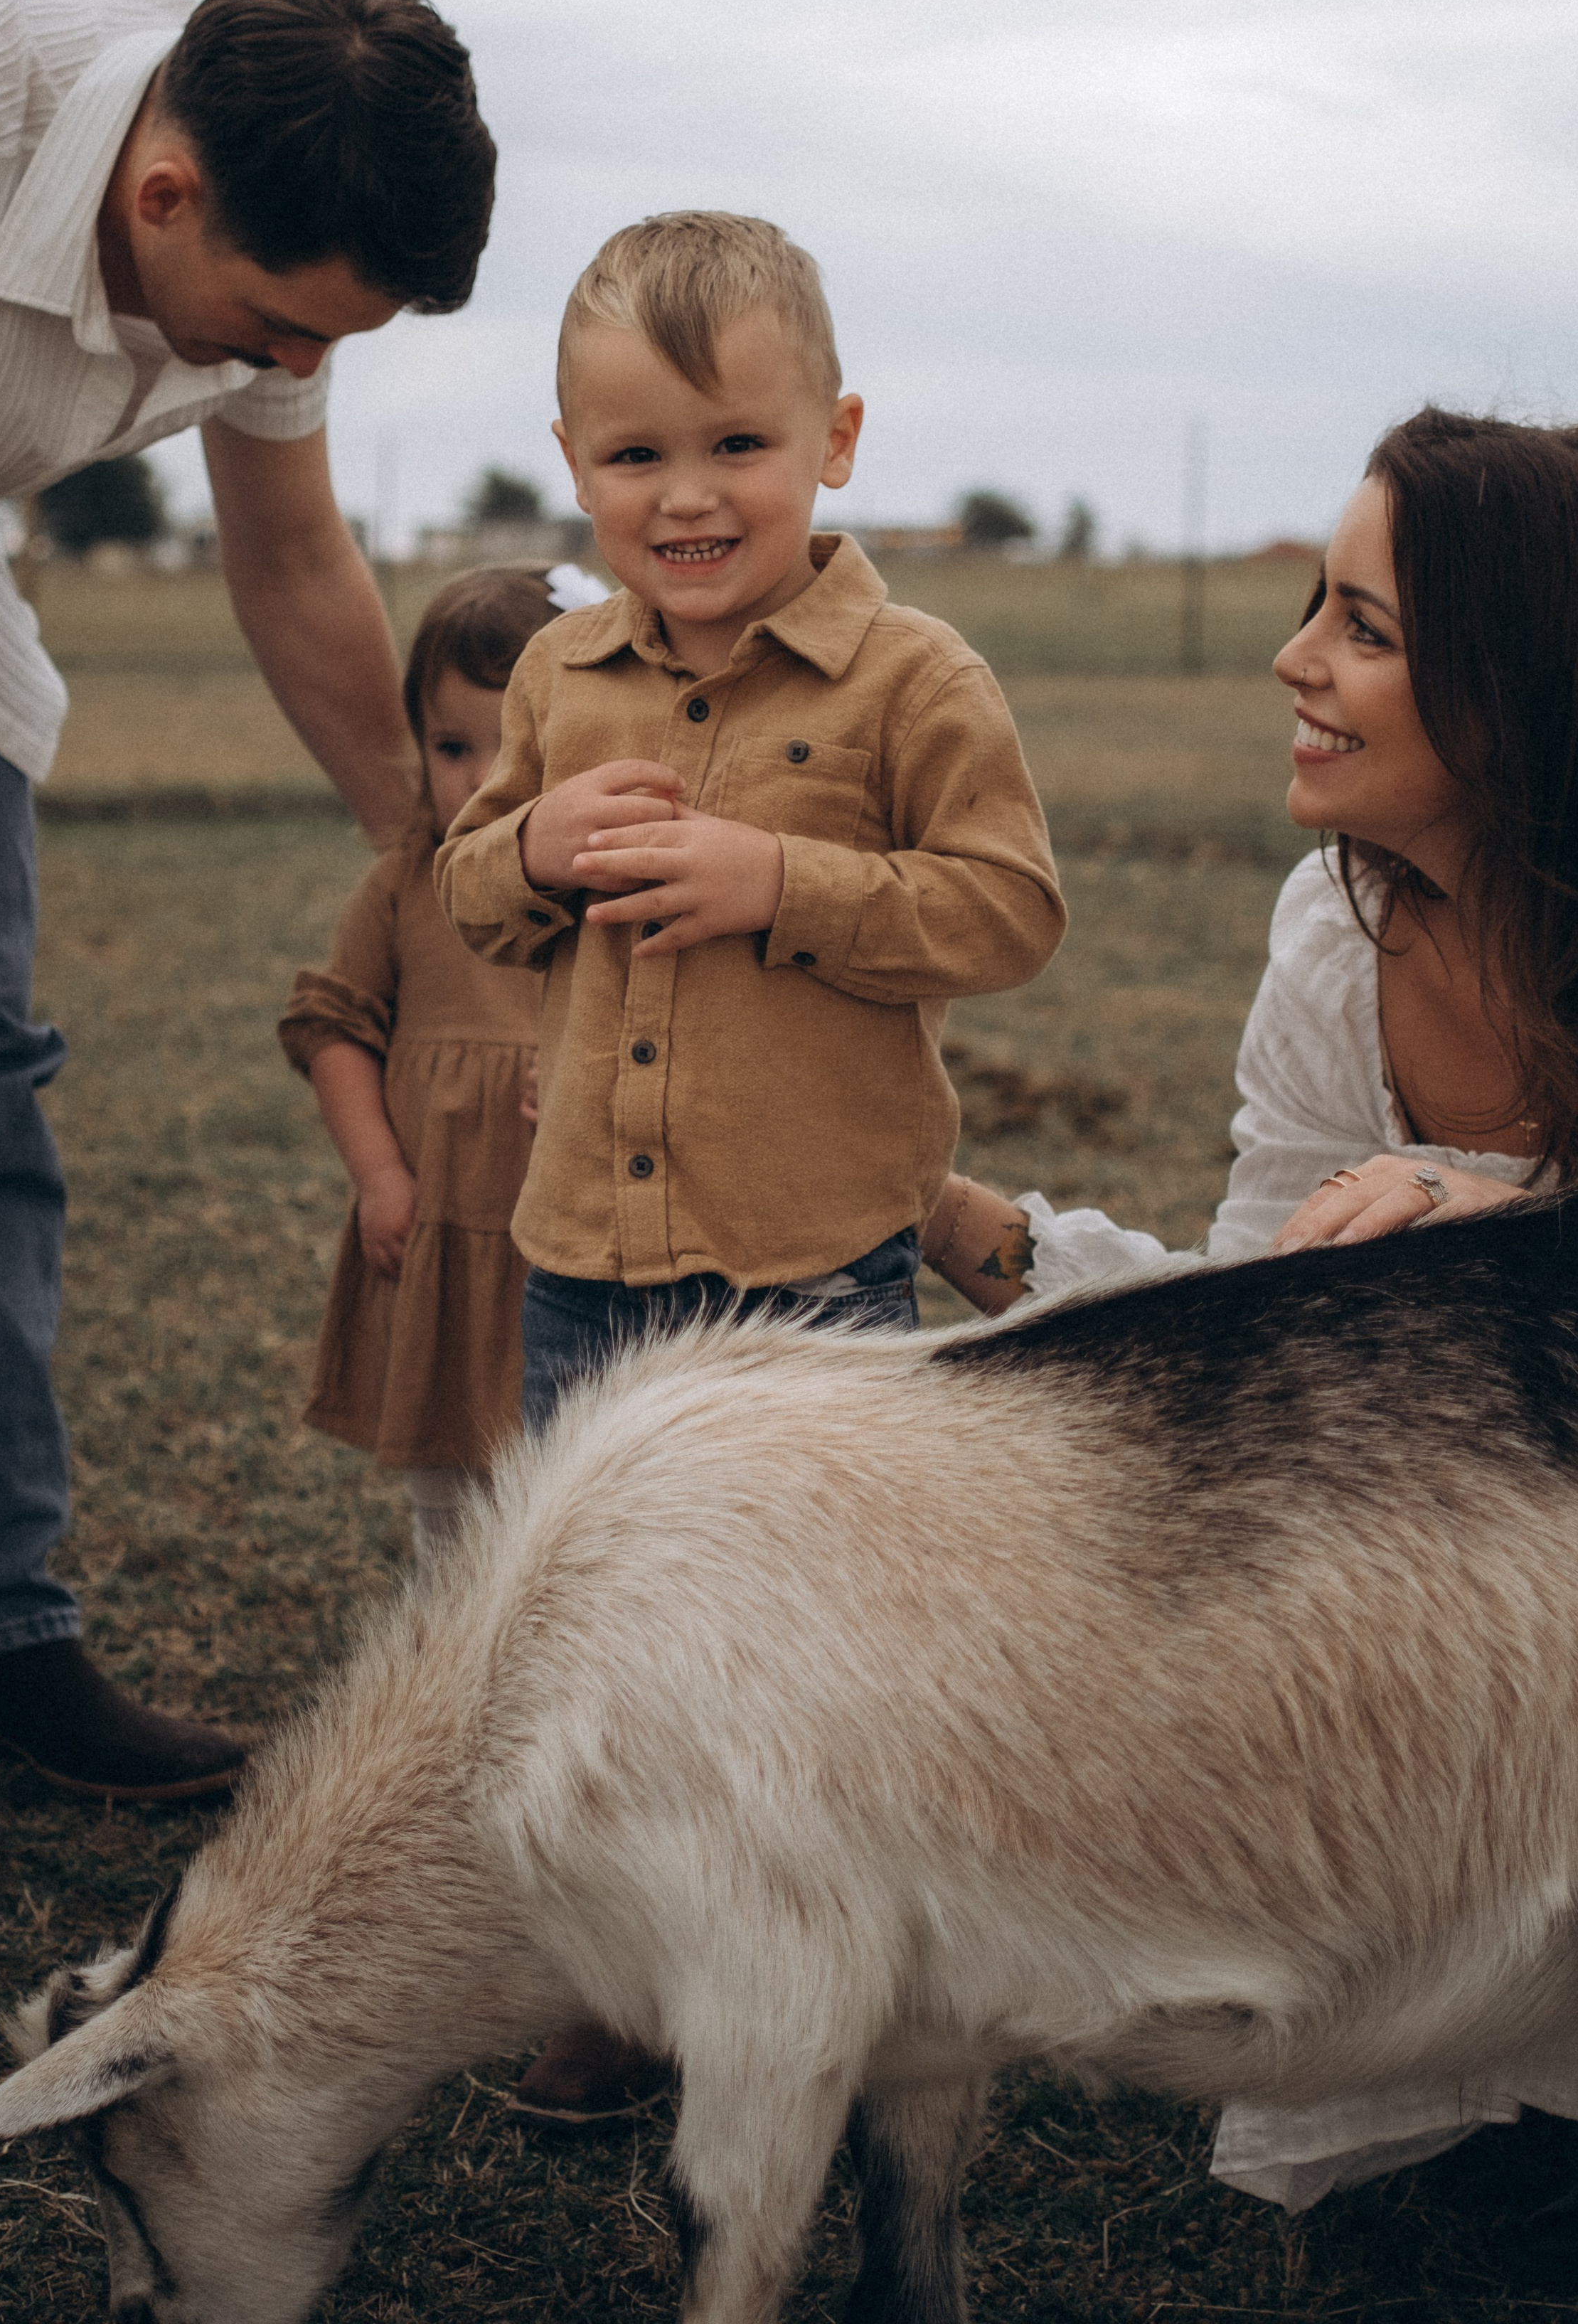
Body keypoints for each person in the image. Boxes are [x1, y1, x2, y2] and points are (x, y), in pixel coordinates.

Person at [923, 406, 1578, 2293]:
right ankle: (1519, 2090)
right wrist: (986, 1242)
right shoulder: (1337, 931)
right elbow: (1262, 1336)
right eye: (1314, 605)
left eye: (1362, 625)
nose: (1296, 658)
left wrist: (1510, 1235)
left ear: (1535, 684)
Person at [436, 208, 1066, 2122]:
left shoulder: (913, 681)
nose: (687, 496)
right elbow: (464, 886)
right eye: (635, 456)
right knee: (599, 1639)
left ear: (838, 441)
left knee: (819, 1663)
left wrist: (777, 881)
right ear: (576, 469)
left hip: (807, 1269)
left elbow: (1009, 909)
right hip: (587, 1266)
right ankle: (624, 1992)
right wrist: (537, 854)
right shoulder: (560, 679)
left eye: (737, 447)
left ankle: (840, 1983)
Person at [0, 0, 496, 1801]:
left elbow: (288, 559)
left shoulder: (257, 190)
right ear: (160, 194)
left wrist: (432, 862)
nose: (294, 370)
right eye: (288, 329)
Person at [279, 563, 611, 1572]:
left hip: (584, 1250)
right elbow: (333, 1028)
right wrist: (380, 1175)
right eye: (450, 747)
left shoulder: (620, 891)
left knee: (582, 1502)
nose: (475, 778)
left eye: (516, 747)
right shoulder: (406, 886)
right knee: (456, 1516)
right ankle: (450, 1676)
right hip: (441, 1241)